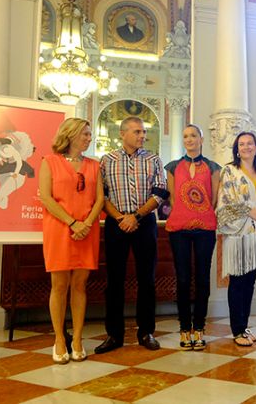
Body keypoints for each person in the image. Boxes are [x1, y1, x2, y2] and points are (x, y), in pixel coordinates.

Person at [95, 116, 169, 354]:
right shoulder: (106, 161)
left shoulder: (153, 159)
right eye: (137, 131)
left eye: (143, 132)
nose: (142, 136)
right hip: (116, 223)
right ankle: (113, 335)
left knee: (147, 279)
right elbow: (102, 197)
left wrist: (135, 216)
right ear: (122, 133)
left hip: (144, 223)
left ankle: (146, 332)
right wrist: (120, 218)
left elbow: (160, 192)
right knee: (114, 280)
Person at [38, 118, 104, 364]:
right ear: (72, 135)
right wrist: (72, 222)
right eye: (85, 134)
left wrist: (85, 224)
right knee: (59, 285)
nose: (89, 138)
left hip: (87, 230)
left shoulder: (94, 165)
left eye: (90, 134)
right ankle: (58, 339)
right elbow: (46, 197)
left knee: (79, 285)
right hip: (59, 228)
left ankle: (77, 339)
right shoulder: (49, 162)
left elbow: (99, 199)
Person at [165, 124, 220, 351]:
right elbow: (172, 199)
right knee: (184, 279)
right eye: (185, 136)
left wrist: (199, 214)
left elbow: (214, 199)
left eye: (193, 135)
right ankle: (184, 327)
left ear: (201, 138)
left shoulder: (213, 167)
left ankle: (199, 327)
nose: (189, 139)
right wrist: (186, 214)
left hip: (205, 228)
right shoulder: (172, 167)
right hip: (179, 229)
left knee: (203, 279)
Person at [216, 131, 256, 346]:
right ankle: (237, 331)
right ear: (237, 149)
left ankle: (244, 327)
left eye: (250, 143)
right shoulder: (230, 171)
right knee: (238, 283)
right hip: (239, 236)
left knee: (250, 284)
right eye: (242, 144)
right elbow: (225, 201)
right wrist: (249, 210)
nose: (246, 147)